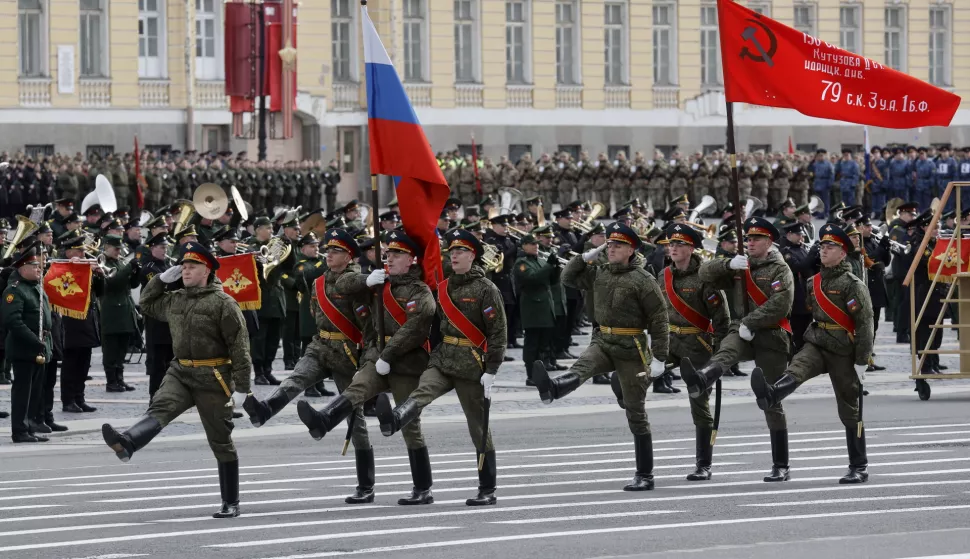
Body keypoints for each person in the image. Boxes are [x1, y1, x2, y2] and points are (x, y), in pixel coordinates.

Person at [102, 241, 252, 518]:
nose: (186, 270)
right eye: (183, 266)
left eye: (192, 266)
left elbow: (239, 347)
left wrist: (242, 387)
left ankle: (231, 501)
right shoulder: (176, 298)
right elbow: (147, 304)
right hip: (181, 371)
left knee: (220, 440)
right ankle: (128, 442)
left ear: (207, 270)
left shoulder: (223, 303)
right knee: (161, 407)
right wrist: (160, 280)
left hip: (213, 376)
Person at [297, 230, 437, 505]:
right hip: (377, 356)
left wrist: (388, 355)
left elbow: (414, 331)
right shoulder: (380, 286)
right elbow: (348, 292)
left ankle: (423, 488)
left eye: (398, 255)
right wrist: (367, 280)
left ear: (412, 260)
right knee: (357, 388)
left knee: (410, 426)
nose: (390, 258)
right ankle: (324, 419)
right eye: (389, 253)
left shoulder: (420, 292)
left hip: (406, 362)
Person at [242, 228, 377, 503]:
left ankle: (366, 485)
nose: (329, 254)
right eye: (328, 250)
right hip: (321, 345)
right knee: (296, 378)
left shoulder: (358, 281)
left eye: (336, 251)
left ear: (349, 256)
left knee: (356, 420)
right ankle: (265, 409)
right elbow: (316, 313)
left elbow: (367, 322)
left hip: (348, 353)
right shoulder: (319, 281)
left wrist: (367, 360)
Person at [533, 222, 669, 491]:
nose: (611, 248)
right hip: (603, 339)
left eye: (618, 245)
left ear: (631, 250)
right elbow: (567, 278)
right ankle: (555, 388)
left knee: (635, 410)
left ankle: (645, 474)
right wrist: (585, 257)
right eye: (609, 244)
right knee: (583, 366)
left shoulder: (643, 280)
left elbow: (659, 319)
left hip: (631, 347)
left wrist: (660, 358)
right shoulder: (601, 272)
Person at [375, 228, 507, 506]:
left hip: (471, 364)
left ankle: (487, 488)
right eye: (452, 251)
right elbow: (435, 325)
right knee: (422, 391)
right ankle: (396, 418)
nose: (454, 255)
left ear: (473, 255)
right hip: (444, 357)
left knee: (478, 426)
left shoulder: (487, 289)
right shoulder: (445, 286)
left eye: (461, 251)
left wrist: (492, 370)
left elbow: (498, 332)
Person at [751, 224, 873, 484]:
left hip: (843, 348)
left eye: (830, 247)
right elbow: (809, 310)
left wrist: (863, 360)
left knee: (849, 407)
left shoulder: (853, 285)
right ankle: (773, 393)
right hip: (817, 342)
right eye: (822, 246)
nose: (824, 250)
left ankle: (858, 466)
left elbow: (864, 324)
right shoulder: (812, 282)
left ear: (843, 253)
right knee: (797, 368)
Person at [680, 217, 795, 482]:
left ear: (769, 242)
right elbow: (704, 273)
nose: (751, 243)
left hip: (771, 334)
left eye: (757, 239)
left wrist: (751, 322)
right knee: (726, 351)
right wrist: (728, 263)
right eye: (749, 238)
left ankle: (781, 464)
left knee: (770, 399)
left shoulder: (780, 269)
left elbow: (781, 304)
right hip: (740, 328)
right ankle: (704, 378)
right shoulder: (739, 264)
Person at [660, 224, 729, 480]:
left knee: (698, 400)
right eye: (671, 244)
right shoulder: (663, 275)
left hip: (698, 343)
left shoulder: (705, 277)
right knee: (641, 372)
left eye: (679, 244)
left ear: (691, 248)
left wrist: (720, 356)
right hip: (669, 341)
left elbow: (721, 319)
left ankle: (703, 464)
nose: (673, 248)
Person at [2, 243, 53, 442]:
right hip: (24, 347)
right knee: (23, 392)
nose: (39, 269)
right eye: (34, 266)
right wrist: (34, 341)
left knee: (35, 392)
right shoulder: (15, 290)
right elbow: (13, 321)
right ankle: (19, 430)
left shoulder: (36, 287)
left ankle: (30, 426)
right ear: (23, 269)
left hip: (39, 347)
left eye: (39, 266)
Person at [513, 234, 558, 387]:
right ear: (524, 246)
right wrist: (549, 266)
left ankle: (541, 373)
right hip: (532, 308)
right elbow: (532, 279)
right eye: (532, 244)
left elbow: (552, 281)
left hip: (545, 307)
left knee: (544, 344)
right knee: (532, 344)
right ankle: (531, 374)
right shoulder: (521, 263)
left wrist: (555, 267)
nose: (536, 246)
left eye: (537, 244)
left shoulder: (540, 260)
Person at [98, 235, 140, 392]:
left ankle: (119, 379)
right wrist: (129, 267)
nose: (118, 252)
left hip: (125, 311)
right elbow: (113, 282)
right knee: (111, 350)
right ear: (107, 247)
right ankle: (111, 381)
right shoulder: (102, 263)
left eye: (119, 249)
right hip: (111, 312)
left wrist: (136, 271)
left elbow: (131, 284)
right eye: (116, 249)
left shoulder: (120, 262)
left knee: (122, 348)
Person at [138, 233, 175, 399]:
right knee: (157, 363)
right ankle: (155, 397)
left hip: (170, 318)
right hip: (156, 320)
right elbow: (162, 287)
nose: (165, 250)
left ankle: (168, 395)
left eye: (166, 247)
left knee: (170, 361)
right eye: (161, 247)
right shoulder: (149, 268)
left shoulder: (167, 265)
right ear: (152, 248)